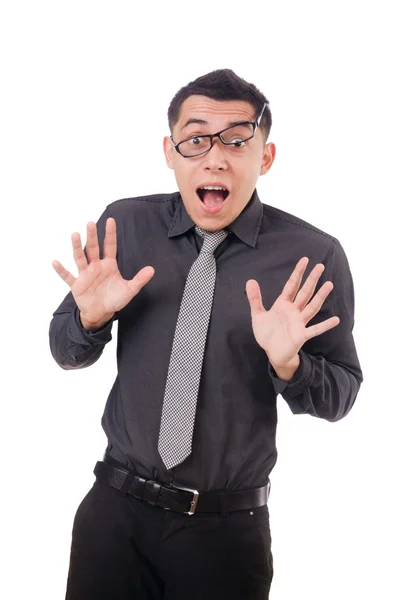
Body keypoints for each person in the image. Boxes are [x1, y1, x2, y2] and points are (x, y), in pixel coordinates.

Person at [49, 68, 363, 600]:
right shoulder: (126, 226)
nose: (214, 157)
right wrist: (89, 321)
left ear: (265, 156)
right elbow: (64, 350)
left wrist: (292, 365)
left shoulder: (312, 257)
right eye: (195, 140)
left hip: (224, 533)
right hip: (113, 517)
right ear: (169, 152)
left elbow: (341, 395)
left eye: (237, 140)